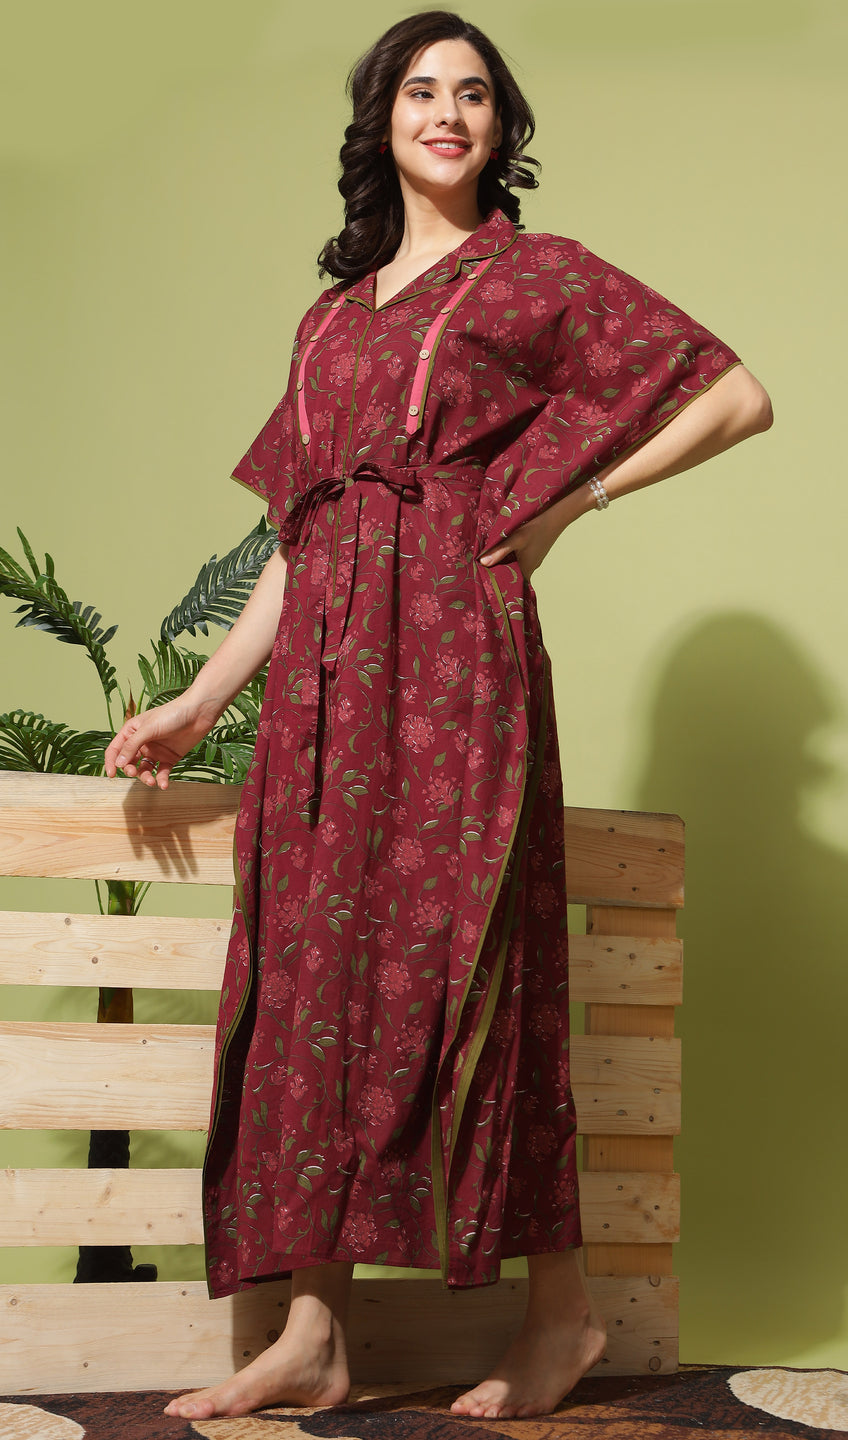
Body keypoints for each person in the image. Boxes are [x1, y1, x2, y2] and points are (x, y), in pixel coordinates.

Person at [104, 8, 772, 1424]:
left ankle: (563, 1315)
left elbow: (737, 396)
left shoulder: (535, 274)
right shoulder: (331, 321)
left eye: (474, 93)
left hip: (460, 659)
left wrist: (570, 505)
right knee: (313, 980)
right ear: (383, 121)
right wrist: (201, 699)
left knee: (476, 970)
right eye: (422, 90)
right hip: (324, 685)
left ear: (499, 126)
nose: (449, 113)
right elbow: (299, 534)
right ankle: (314, 1333)